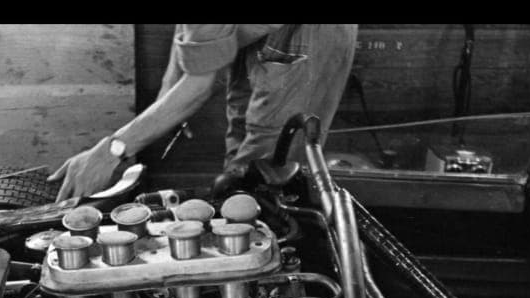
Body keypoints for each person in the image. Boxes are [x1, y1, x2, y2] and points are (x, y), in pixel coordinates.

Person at [50, 24, 358, 201]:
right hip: (259, 33)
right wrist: (164, 104)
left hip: (308, 34)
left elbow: (199, 84)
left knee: (264, 178)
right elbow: (186, 33)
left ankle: (277, 292)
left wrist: (112, 150)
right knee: (240, 168)